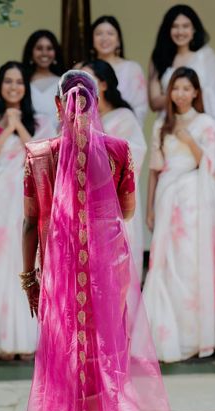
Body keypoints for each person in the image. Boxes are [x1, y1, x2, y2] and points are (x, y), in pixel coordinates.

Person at [0, 70, 215, 411]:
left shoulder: (40, 155)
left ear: (56, 104)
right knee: (105, 364)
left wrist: (29, 279)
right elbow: (127, 210)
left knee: (64, 364)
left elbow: (32, 220)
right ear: (96, 103)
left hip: (61, 278)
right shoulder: (116, 150)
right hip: (107, 278)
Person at [143, 67, 215, 363]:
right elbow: (154, 170)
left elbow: (212, 163)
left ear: (195, 92)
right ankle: (167, 333)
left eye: (185, 88)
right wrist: (150, 207)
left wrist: (189, 139)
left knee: (190, 262)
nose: (180, 93)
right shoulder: (161, 124)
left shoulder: (206, 123)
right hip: (168, 195)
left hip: (194, 198)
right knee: (165, 263)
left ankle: (194, 336)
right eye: (175, 88)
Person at [0, 62, 55, 360]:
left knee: (28, 264)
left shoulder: (40, 122)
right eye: (7, 81)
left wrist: (19, 126)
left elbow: (43, 157)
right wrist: (5, 128)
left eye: (18, 82)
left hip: (27, 202)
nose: (13, 86)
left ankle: (27, 342)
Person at [82, 59, 147, 279]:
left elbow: (134, 155)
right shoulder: (79, 119)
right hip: (85, 204)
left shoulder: (124, 118)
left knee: (116, 274)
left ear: (104, 84)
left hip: (115, 205)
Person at [149, 5, 215, 135]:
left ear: (194, 29)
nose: (180, 31)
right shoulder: (158, 58)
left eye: (185, 26)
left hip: (200, 128)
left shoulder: (206, 57)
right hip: (169, 126)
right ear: (168, 29)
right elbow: (155, 102)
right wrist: (183, 94)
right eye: (175, 26)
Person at [89, 15, 148, 125]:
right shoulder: (82, 69)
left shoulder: (132, 68)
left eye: (110, 33)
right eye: (99, 34)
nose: (104, 38)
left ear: (118, 40)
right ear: (92, 40)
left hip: (124, 132)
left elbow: (140, 108)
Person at [22, 29, 66, 132]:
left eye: (49, 48)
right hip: (28, 139)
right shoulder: (22, 82)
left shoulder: (64, 83)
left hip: (58, 140)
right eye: (39, 48)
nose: (44, 53)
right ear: (31, 52)